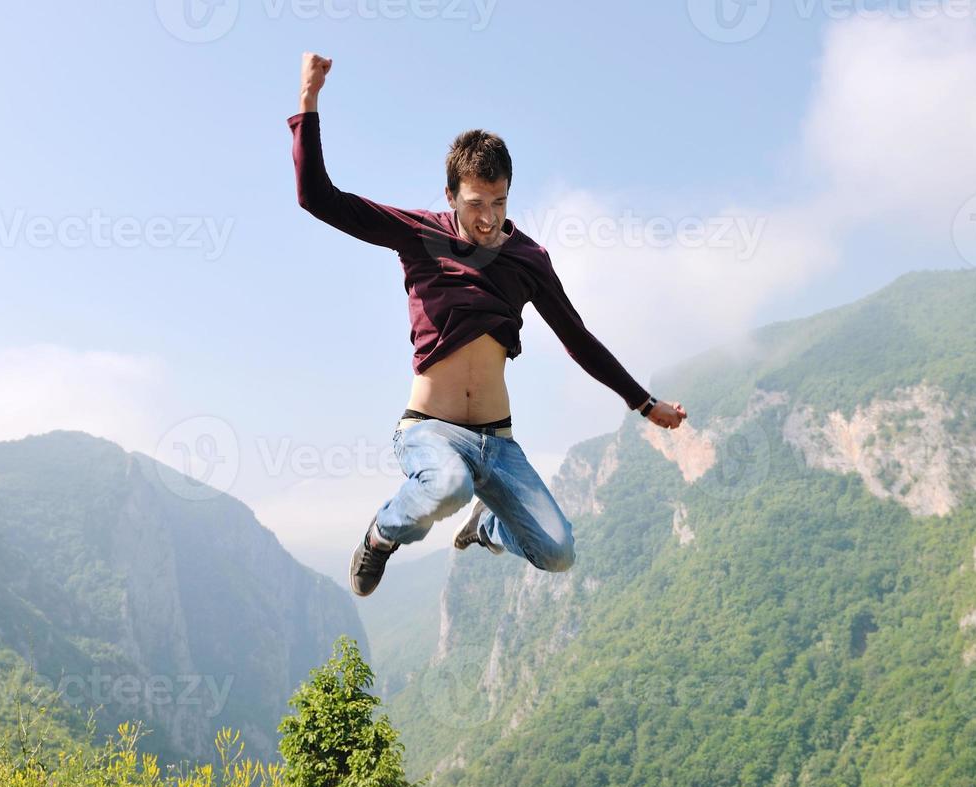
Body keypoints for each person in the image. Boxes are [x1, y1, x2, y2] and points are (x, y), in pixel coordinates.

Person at [288, 52, 686, 597]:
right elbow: (318, 198)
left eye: (499, 202)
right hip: (431, 430)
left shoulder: (529, 259)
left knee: (559, 553)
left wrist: (644, 403)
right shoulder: (420, 234)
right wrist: (308, 103)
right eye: (475, 203)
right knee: (447, 484)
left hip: (498, 443)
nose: (488, 218)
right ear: (450, 195)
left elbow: (578, 339)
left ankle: (490, 525)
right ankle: (382, 534)